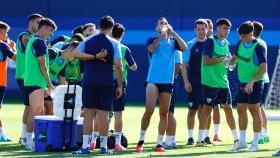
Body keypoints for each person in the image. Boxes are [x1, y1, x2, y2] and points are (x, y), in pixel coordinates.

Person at [72, 15, 123, 155]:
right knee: (104, 115)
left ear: (99, 26)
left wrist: (94, 57)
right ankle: (104, 148)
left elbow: (75, 54)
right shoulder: (114, 43)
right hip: (106, 82)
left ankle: (85, 148)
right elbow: (118, 66)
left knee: (88, 114)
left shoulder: (88, 39)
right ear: (111, 28)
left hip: (90, 81)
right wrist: (120, 85)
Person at [135, 17, 187, 152]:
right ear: (156, 28)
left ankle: (159, 144)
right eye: (161, 24)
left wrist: (173, 34)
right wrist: (161, 36)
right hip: (153, 80)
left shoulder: (173, 42)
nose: (163, 25)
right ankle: (141, 140)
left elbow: (185, 47)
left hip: (167, 82)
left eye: (165, 23)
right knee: (149, 110)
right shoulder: (151, 40)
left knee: (164, 113)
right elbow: (151, 50)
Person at [198, 18, 238, 148]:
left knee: (228, 109)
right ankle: (200, 139)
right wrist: (221, 59)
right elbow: (207, 61)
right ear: (218, 28)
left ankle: (237, 139)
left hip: (223, 82)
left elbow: (228, 64)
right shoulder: (210, 41)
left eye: (229, 29)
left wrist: (232, 61)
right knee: (207, 110)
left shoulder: (226, 43)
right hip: (209, 82)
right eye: (225, 28)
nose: (227, 31)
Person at [229, 21, 267, 152]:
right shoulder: (240, 43)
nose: (241, 38)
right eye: (240, 36)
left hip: (255, 83)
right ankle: (242, 142)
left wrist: (252, 81)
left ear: (251, 34)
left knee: (254, 109)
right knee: (240, 109)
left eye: (243, 36)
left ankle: (255, 143)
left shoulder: (259, 47)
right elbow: (235, 58)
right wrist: (230, 61)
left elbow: (263, 68)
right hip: (242, 82)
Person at [24, 18, 57, 150]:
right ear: (43, 28)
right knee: (35, 112)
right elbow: (43, 67)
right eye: (51, 30)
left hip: (35, 82)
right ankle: (28, 142)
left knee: (38, 112)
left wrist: (45, 85)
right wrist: (49, 84)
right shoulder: (39, 42)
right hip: (35, 82)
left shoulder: (34, 40)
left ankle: (30, 140)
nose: (51, 34)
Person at [16, 13, 43, 145]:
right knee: (30, 107)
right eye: (38, 22)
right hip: (24, 76)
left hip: (30, 77)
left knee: (30, 107)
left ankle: (24, 136)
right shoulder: (25, 36)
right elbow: (31, 51)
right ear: (31, 22)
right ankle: (24, 137)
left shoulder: (34, 38)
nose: (39, 25)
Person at [181, 19, 209, 146]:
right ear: (195, 30)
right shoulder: (190, 45)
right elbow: (183, 65)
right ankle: (190, 137)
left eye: (203, 29)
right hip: (194, 82)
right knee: (192, 110)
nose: (201, 31)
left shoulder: (212, 44)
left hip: (208, 82)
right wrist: (186, 81)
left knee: (206, 110)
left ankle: (204, 137)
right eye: (198, 29)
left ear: (207, 29)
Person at [111, 23, 137, 151]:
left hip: (104, 81)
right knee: (118, 115)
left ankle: (94, 141)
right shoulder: (124, 49)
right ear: (122, 34)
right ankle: (117, 143)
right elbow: (134, 67)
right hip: (118, 83)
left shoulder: (106, 46)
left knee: (100, 114)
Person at [252, 21, 269, 144]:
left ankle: (263, 135)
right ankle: (263, 134)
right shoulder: (262, 42)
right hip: (262, 79)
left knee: (258, 108)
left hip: (260, 79)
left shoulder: (257, 44)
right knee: (258, 108)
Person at [205, 18, 222, 142]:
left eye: (211, 27)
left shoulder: (219, 42)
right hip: (203, 81)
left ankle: (215, 134)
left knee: (216, 107)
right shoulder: (194, 43)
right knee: (202, 108)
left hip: (216, 80)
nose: (209, 29)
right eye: (207, 27)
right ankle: (200, 135)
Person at [162, 49, 182, 149]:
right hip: (166, 82)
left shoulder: (175, 48)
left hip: (169, 83)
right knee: (169, 113)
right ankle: (171, 140)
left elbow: (178, 65)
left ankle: (169, 142)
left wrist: (170, 76)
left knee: (169, 113)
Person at [0, 21, 16, 142]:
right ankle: (2, 134)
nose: (6, 35)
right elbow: (16, 59)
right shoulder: (3, 45)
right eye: (6, 32)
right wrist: (13, 48)